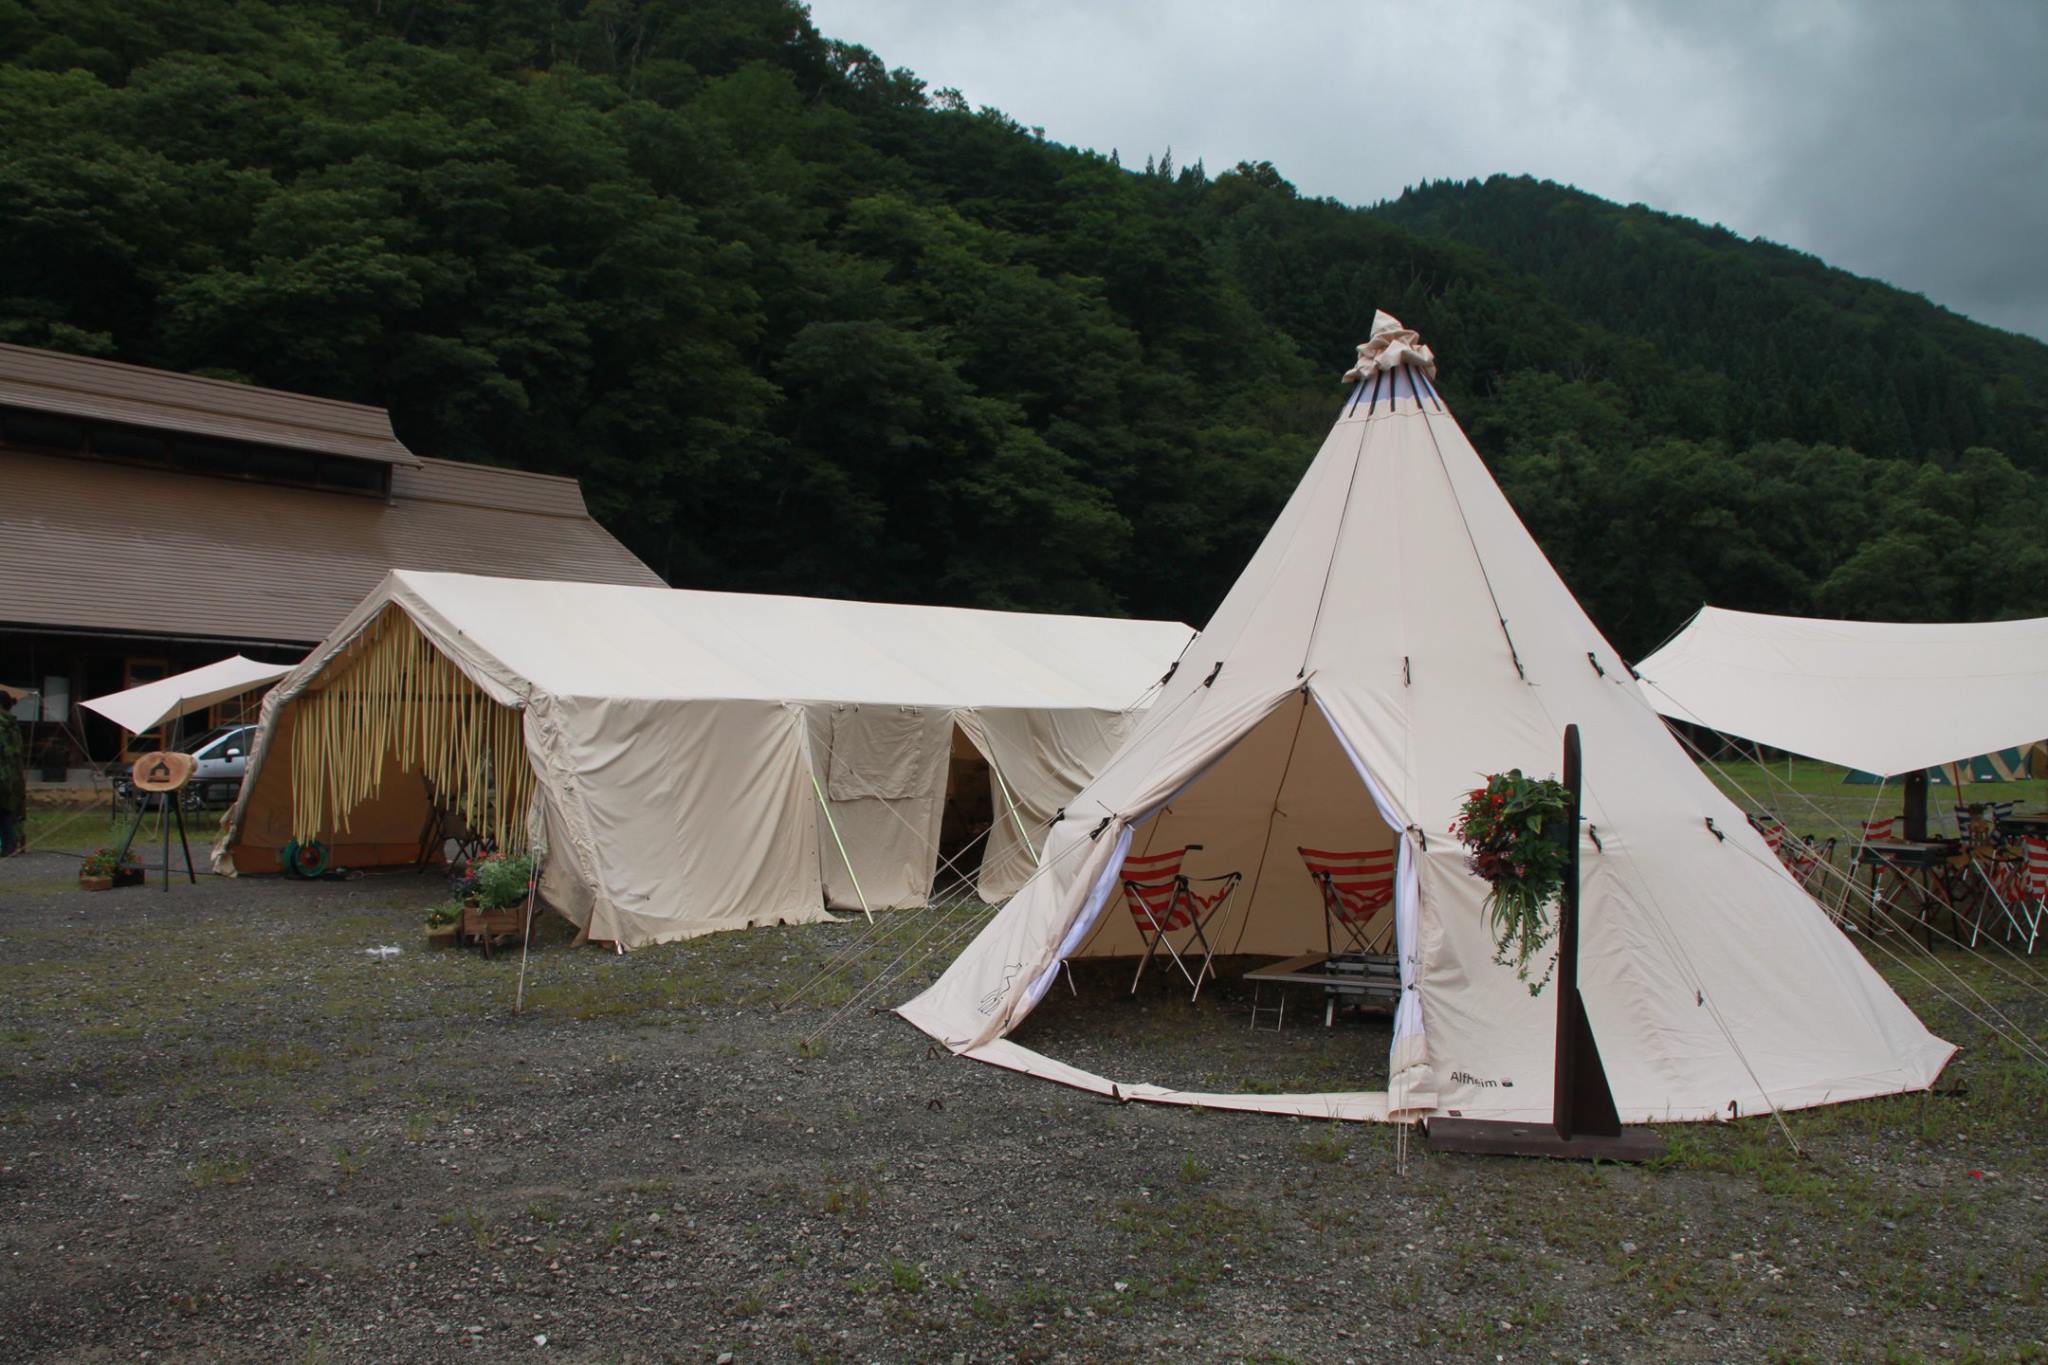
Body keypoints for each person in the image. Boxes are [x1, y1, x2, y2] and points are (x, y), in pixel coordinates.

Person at [0, 702, 24, 856]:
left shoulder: (2, 726)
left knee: (3, 810)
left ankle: (9, 845)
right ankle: (13, 843)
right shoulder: (13, 724)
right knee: (8, 809)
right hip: (13, 774)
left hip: (2, 772)